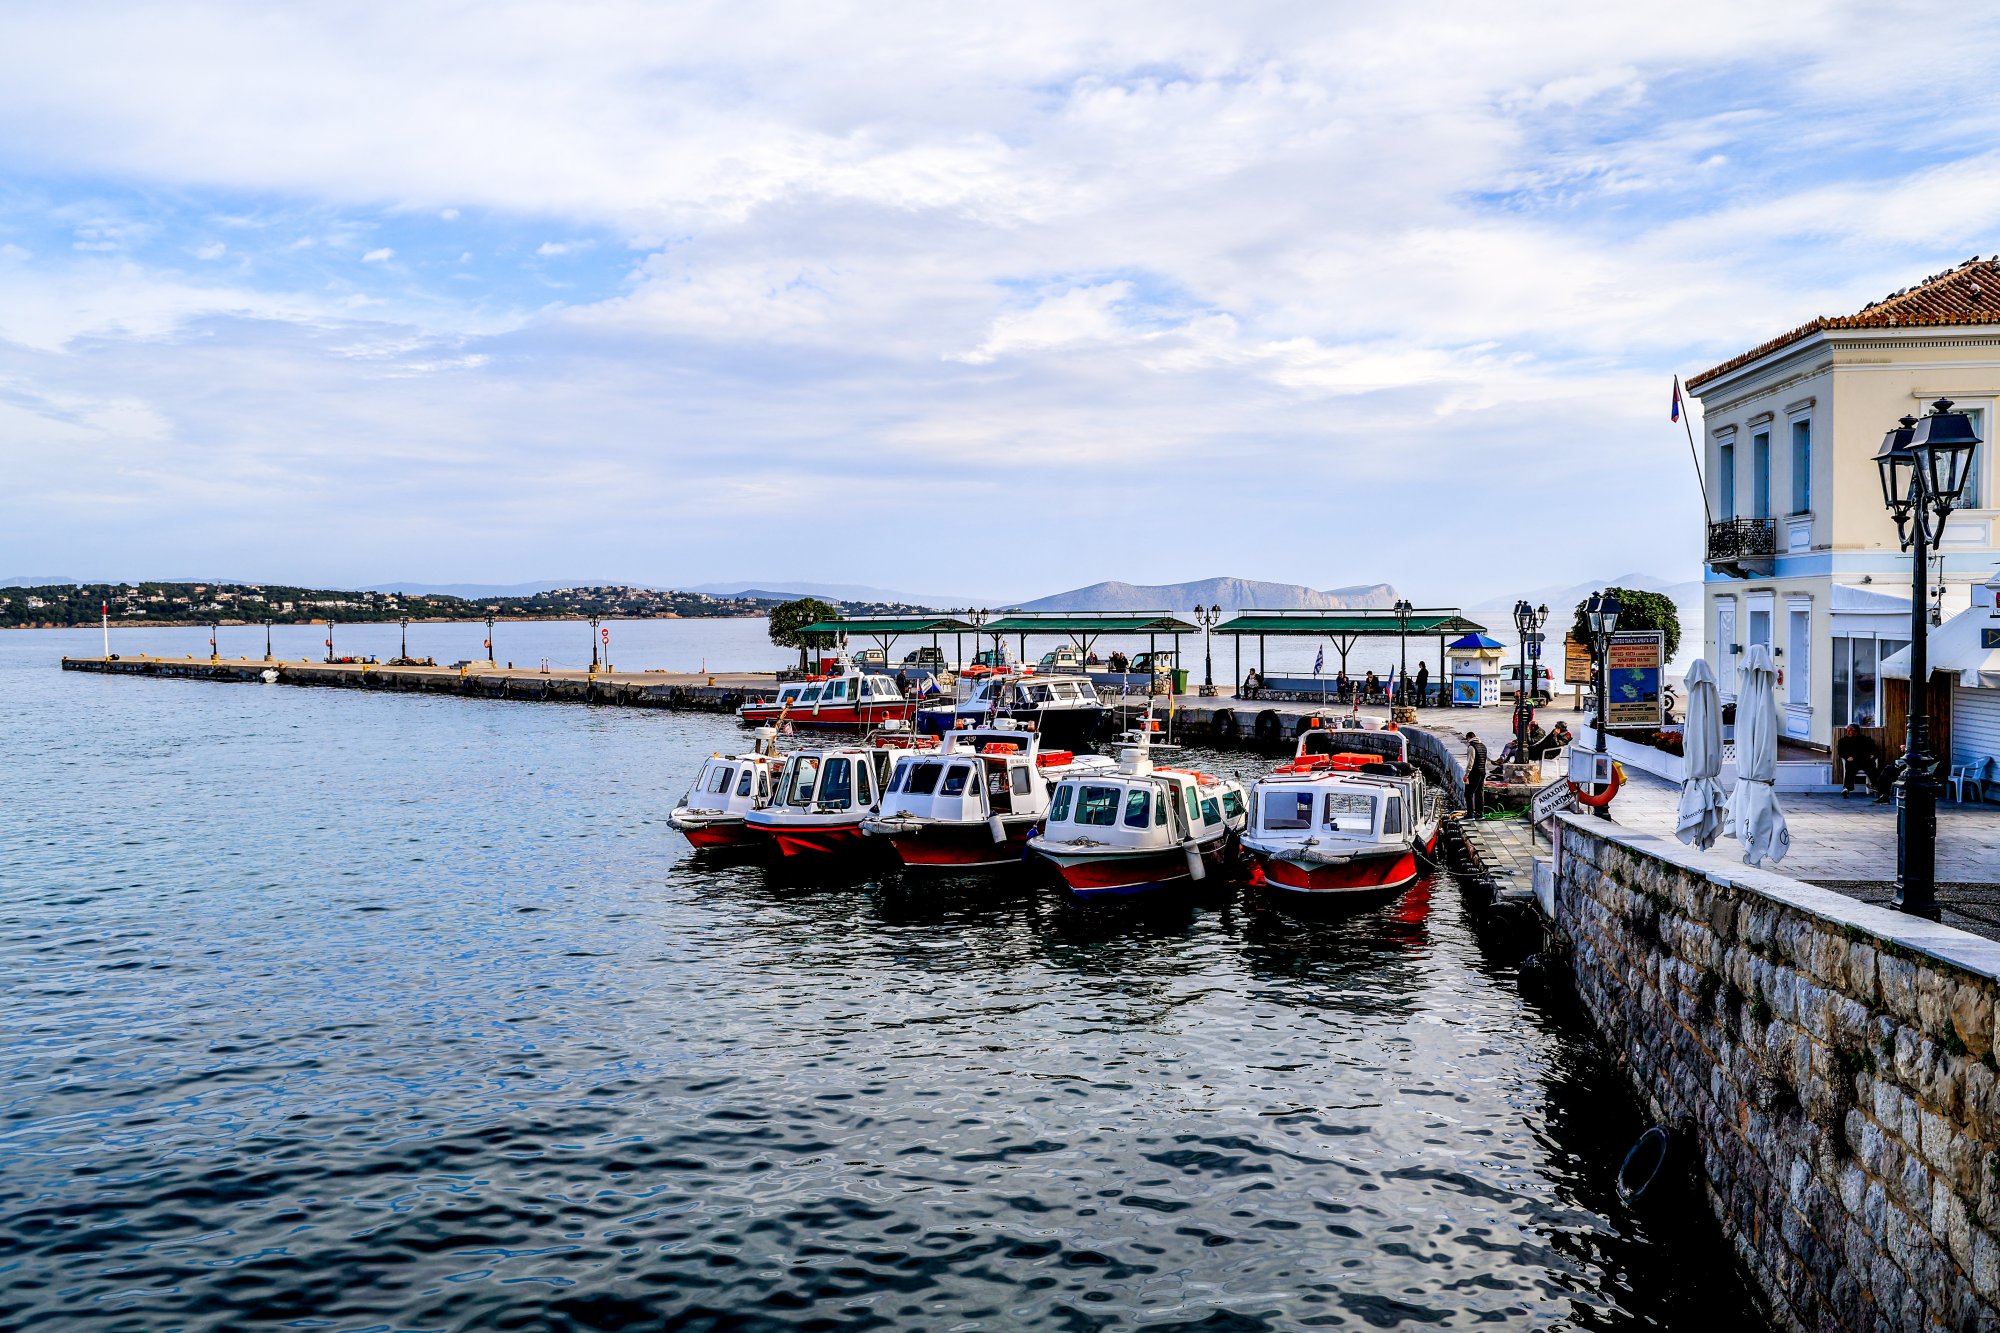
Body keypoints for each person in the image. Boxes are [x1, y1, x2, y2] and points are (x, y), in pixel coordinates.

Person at [1836, 725, 1889, 802]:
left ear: (1856, 731)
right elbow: (1841, 752)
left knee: (1872, 770)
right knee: (1850, 770)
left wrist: (1873, 755)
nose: (1848, 732)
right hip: (1853, 761)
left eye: (1851, 730)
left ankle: (1877, 788)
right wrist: (1847, 757)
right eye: (1848, 730)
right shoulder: (1843, 741)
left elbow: (1874, 750)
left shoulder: (1865, 740)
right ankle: (1846, 788)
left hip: (1865, 760)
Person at [1463, 731, 1489, 817]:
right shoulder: (1483, 746)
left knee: (1468, 793)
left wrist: (1466, 775)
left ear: (1468, 738)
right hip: (1482, 772)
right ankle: (1480, 812)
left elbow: (1470, 762)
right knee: (1479, 792)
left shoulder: (1472, 747)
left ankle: (1470, 813)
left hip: (1474, 773)